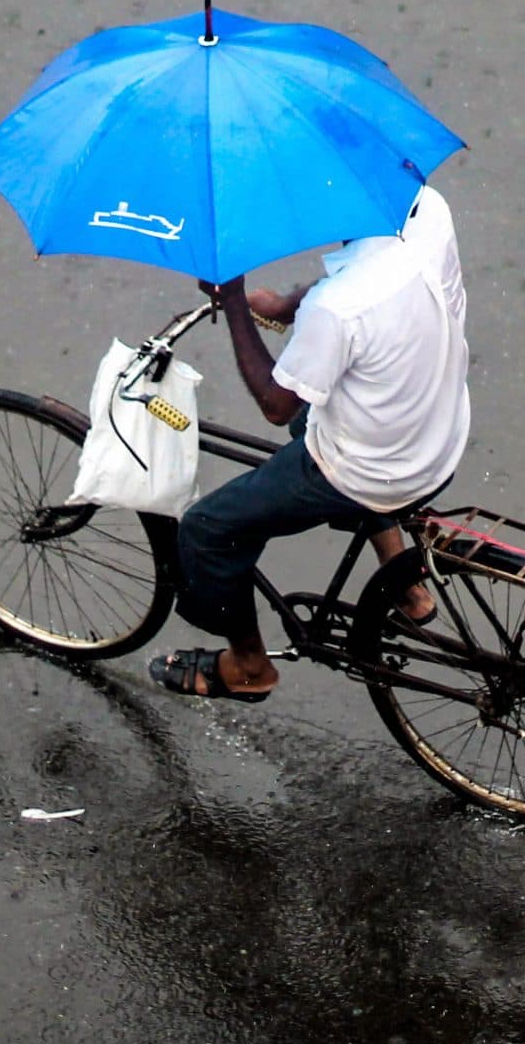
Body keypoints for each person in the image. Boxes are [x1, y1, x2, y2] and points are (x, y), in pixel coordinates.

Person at [148, 185, 470, 703]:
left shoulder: (336, 308)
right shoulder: (430, 210)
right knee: (324, 409)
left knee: (207, 529)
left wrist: (233, 301)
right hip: (436, 427)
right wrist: (284, 305)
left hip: (371, 467)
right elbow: (365, 280)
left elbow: (277, 405)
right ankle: (404, 583)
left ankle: (249, 668)